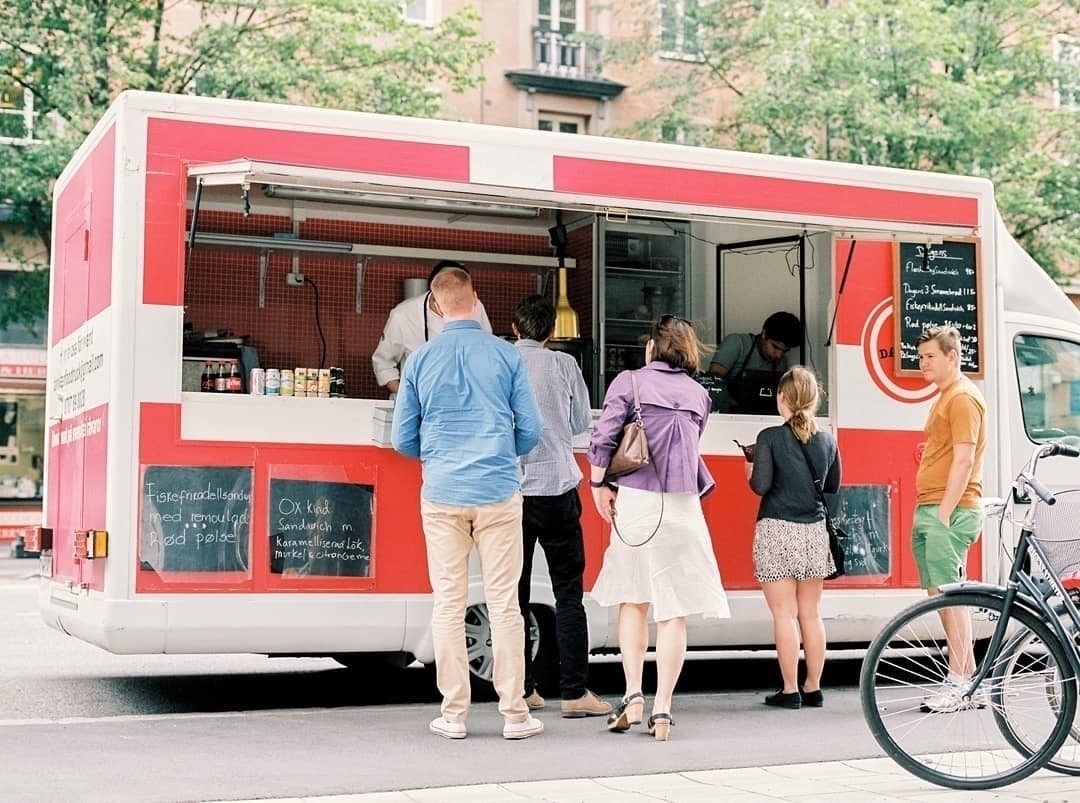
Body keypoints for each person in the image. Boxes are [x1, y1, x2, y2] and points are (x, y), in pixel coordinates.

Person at [391, 266, 545, 741]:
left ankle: (454, 714)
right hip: (498, 492)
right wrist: (499, 450)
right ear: (475, 299)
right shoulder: (506, 355)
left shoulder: (419, 360)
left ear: (435, 306)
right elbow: (532, 430)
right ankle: (515, 714)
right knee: (505, 607)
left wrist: (438, 456)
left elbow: (403, 439)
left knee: (449, 605)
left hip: (442, 495)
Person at [586, 314, 730, 741]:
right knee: (673, 611)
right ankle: (663, 710)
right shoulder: (699, 395)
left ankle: (632, 696)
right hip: (683, 508)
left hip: (637, 502)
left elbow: (604, 439)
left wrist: (598, 486)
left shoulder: (628, 382)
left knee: (633, 601)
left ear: (651, 347)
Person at [512, 295, 612, 720]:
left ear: (514, 329)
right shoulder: (564, 365)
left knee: (511, 594)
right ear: (551, 332)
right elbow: (578, 425)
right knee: (568, 593)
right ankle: (573, 692)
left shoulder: (502, 361)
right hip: (557, 486)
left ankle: (521, 690)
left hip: (511, 493)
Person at [744, 365, 841, 710]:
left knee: (784, 615)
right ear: (814, 400)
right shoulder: (828, 439)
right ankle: (813, 687)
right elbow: (832, 487)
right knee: (811, 614)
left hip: (777, 530)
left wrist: (748, 468)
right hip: (814, 533)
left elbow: (761, 486)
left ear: (781, 398)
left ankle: (789, 690)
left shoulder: (769, 437)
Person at [911, 325, 987, 713]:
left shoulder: (962, 398)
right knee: (942, 599)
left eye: (930, 356)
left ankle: (958, 682)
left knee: (951, 599)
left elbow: (965, 457)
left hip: (949, 510)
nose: (922, 362)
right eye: (921, 356)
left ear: (952, 357)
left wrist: (943, 513)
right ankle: (969, 681)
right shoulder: (946, 398)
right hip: (935, 505)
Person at [372, 260, 492, 396]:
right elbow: (382, 362)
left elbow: (486, 352)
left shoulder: (476, 307)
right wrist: (408, 398)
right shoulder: (404, 314)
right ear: (434, 290)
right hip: (418, 406)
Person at [708, 311, 802, 414]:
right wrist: (736, 406)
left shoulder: (781, 362)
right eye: (775, 347)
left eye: (784, 351)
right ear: (764, 334)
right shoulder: (737, 344)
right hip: (730, 416)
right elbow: (712, 381)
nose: (778, 355)